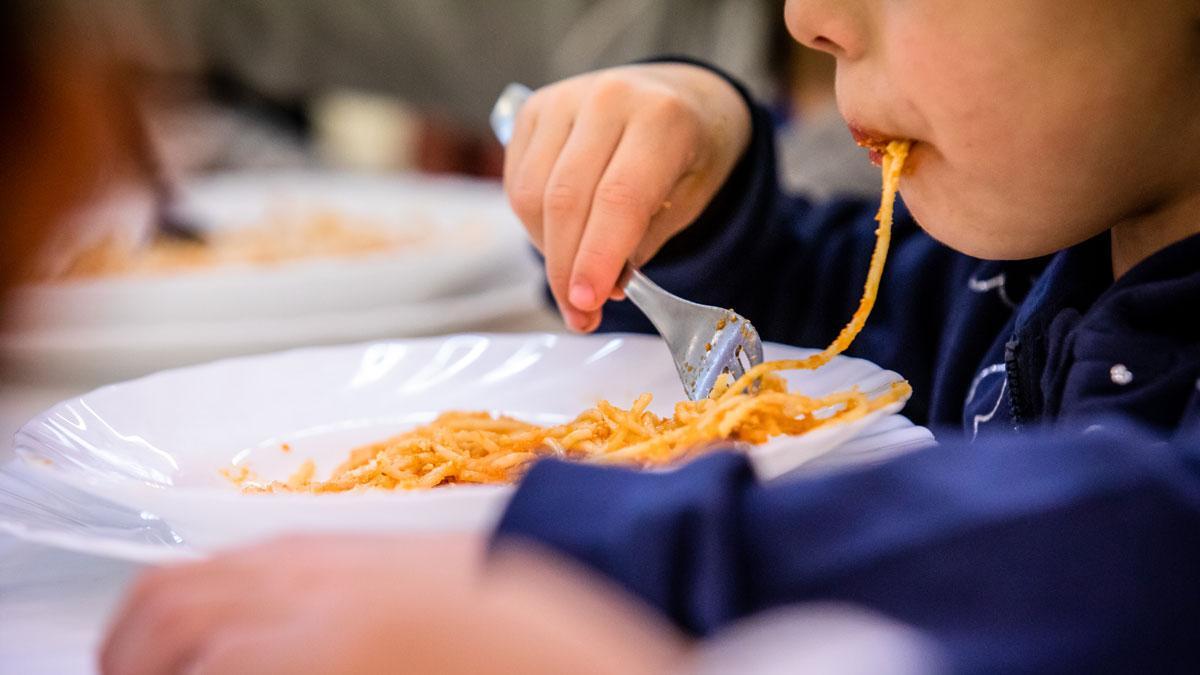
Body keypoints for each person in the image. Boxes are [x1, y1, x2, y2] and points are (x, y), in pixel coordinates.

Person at [100, 0, 1200, 673]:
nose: (807, 16)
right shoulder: (1026, 268)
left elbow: (1143, 531)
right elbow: (809, 322)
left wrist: (626, 564)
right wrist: (701, 188)